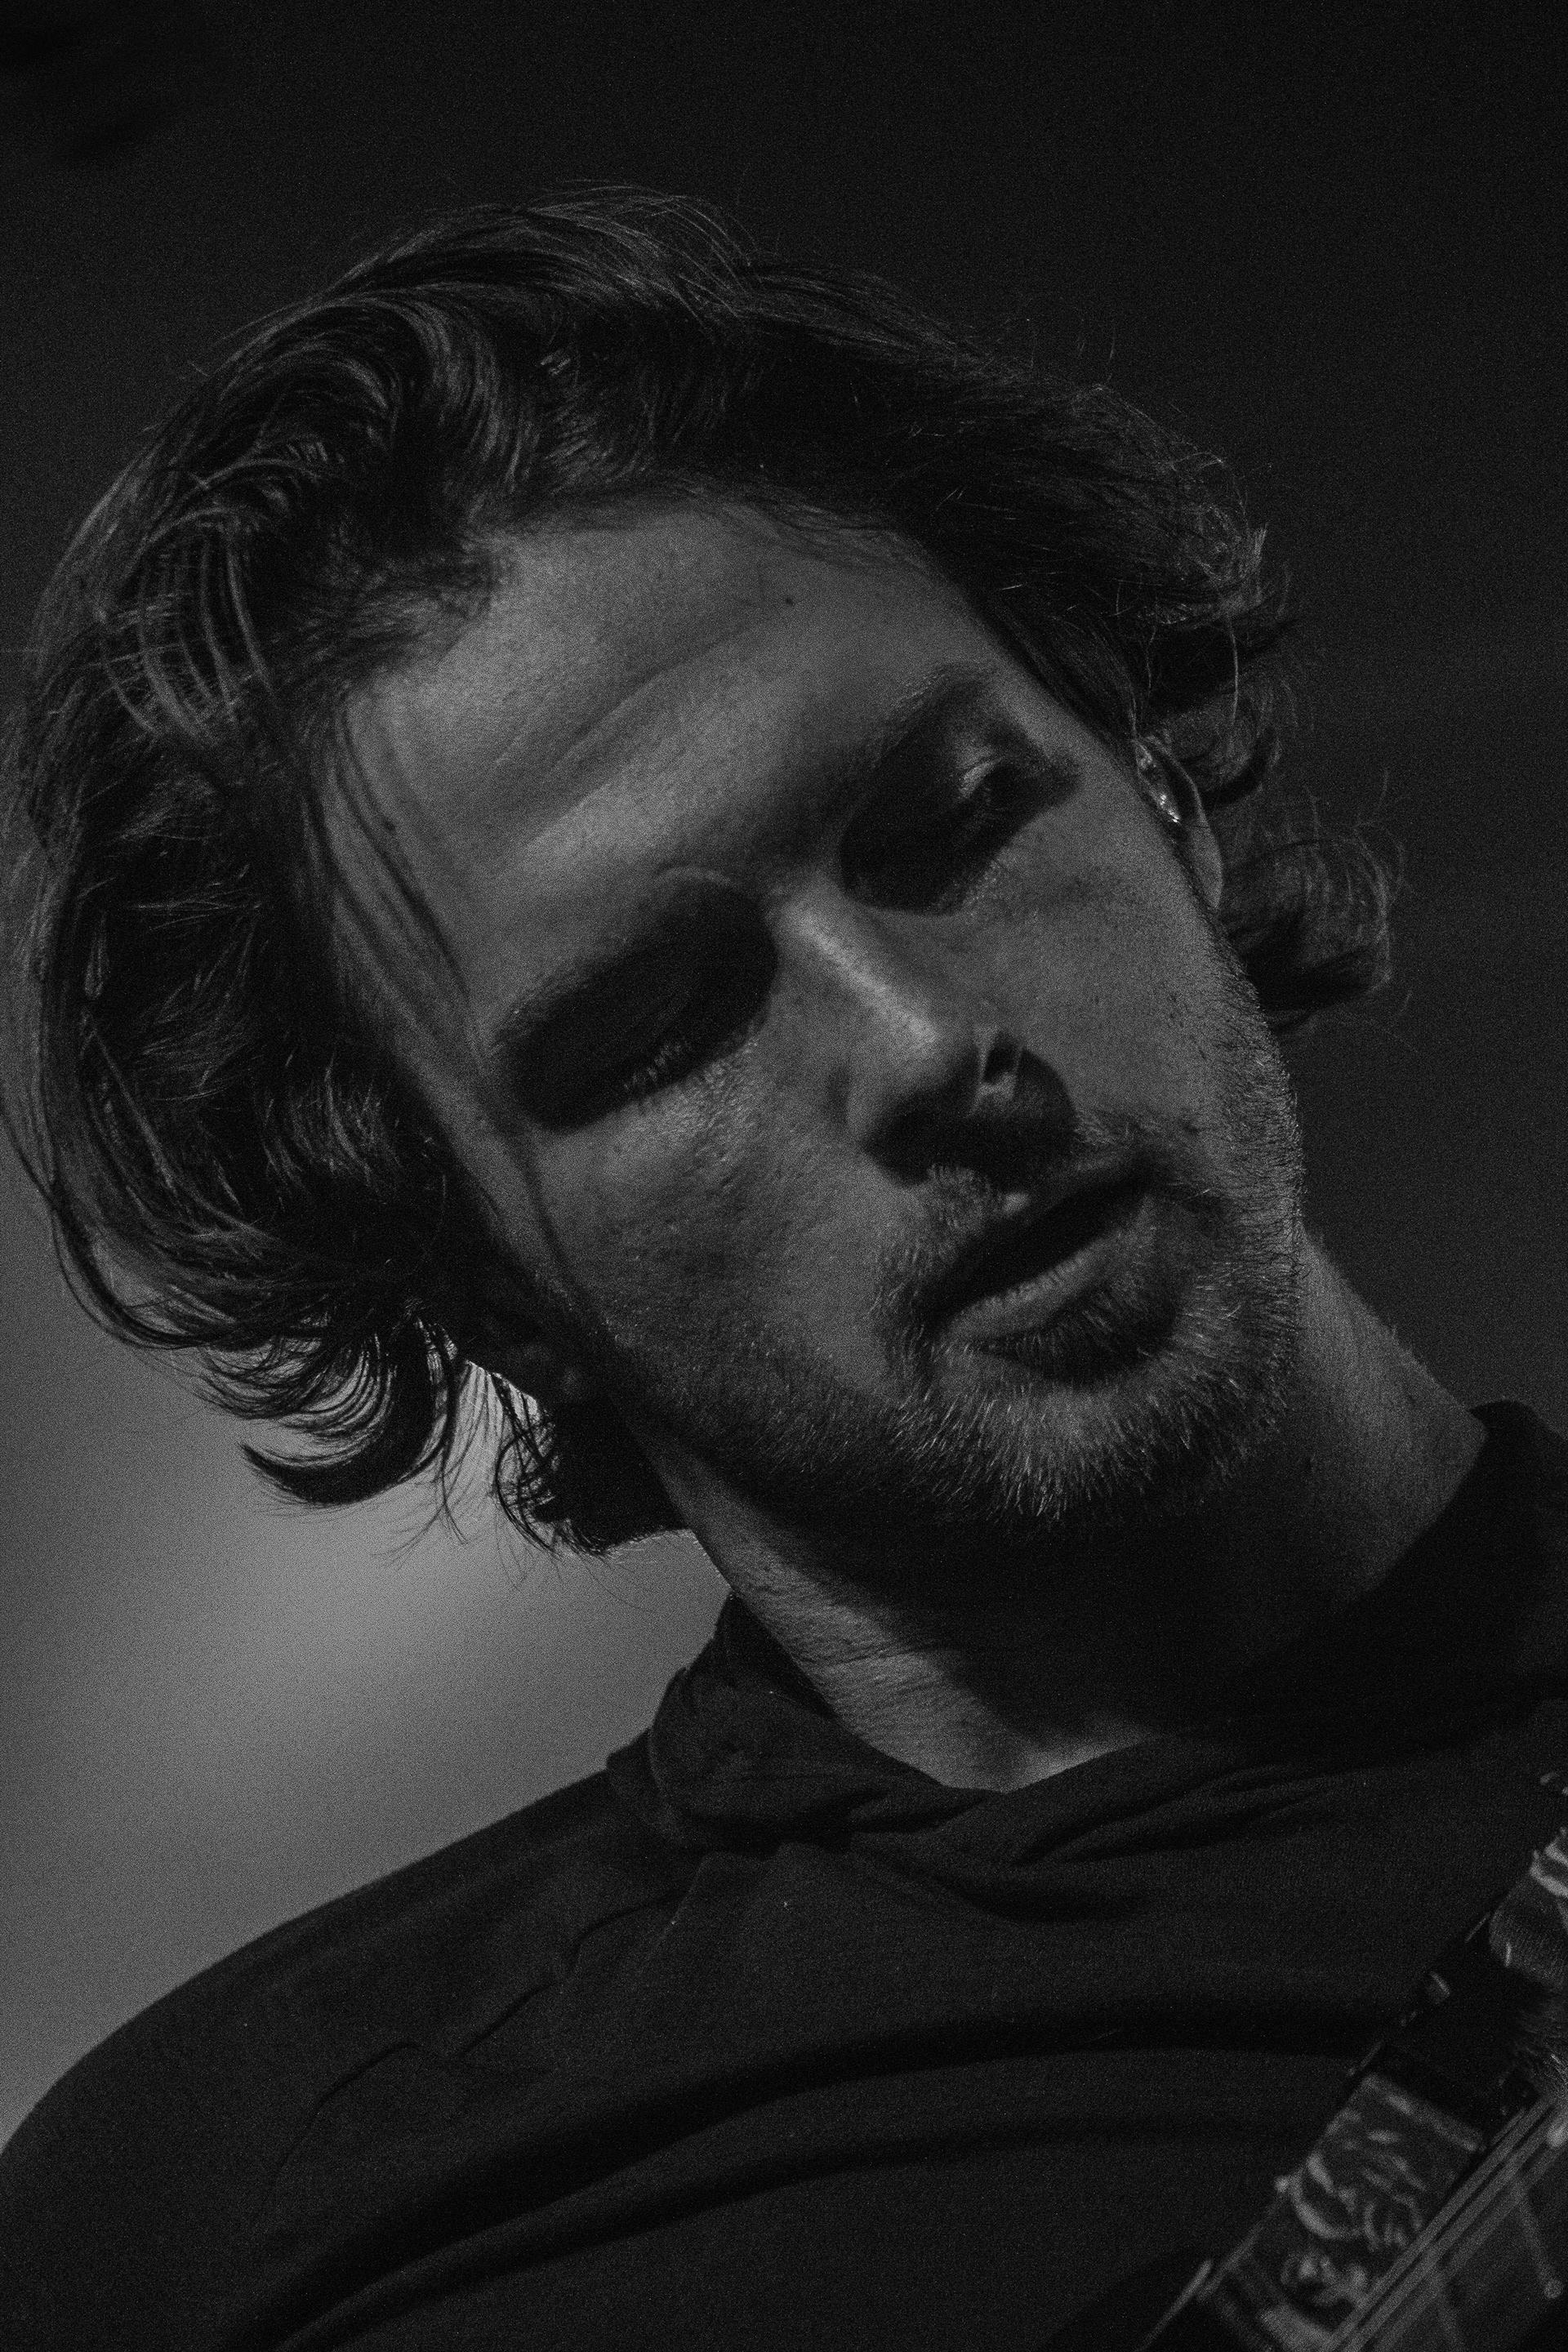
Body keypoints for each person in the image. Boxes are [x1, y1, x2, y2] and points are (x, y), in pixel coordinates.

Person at [2, 188, 1564, 2352]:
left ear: (1160, 790)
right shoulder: (219, 2226)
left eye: (957, 822)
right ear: (475, 1280)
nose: (924, 1043)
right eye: (657, 1030)